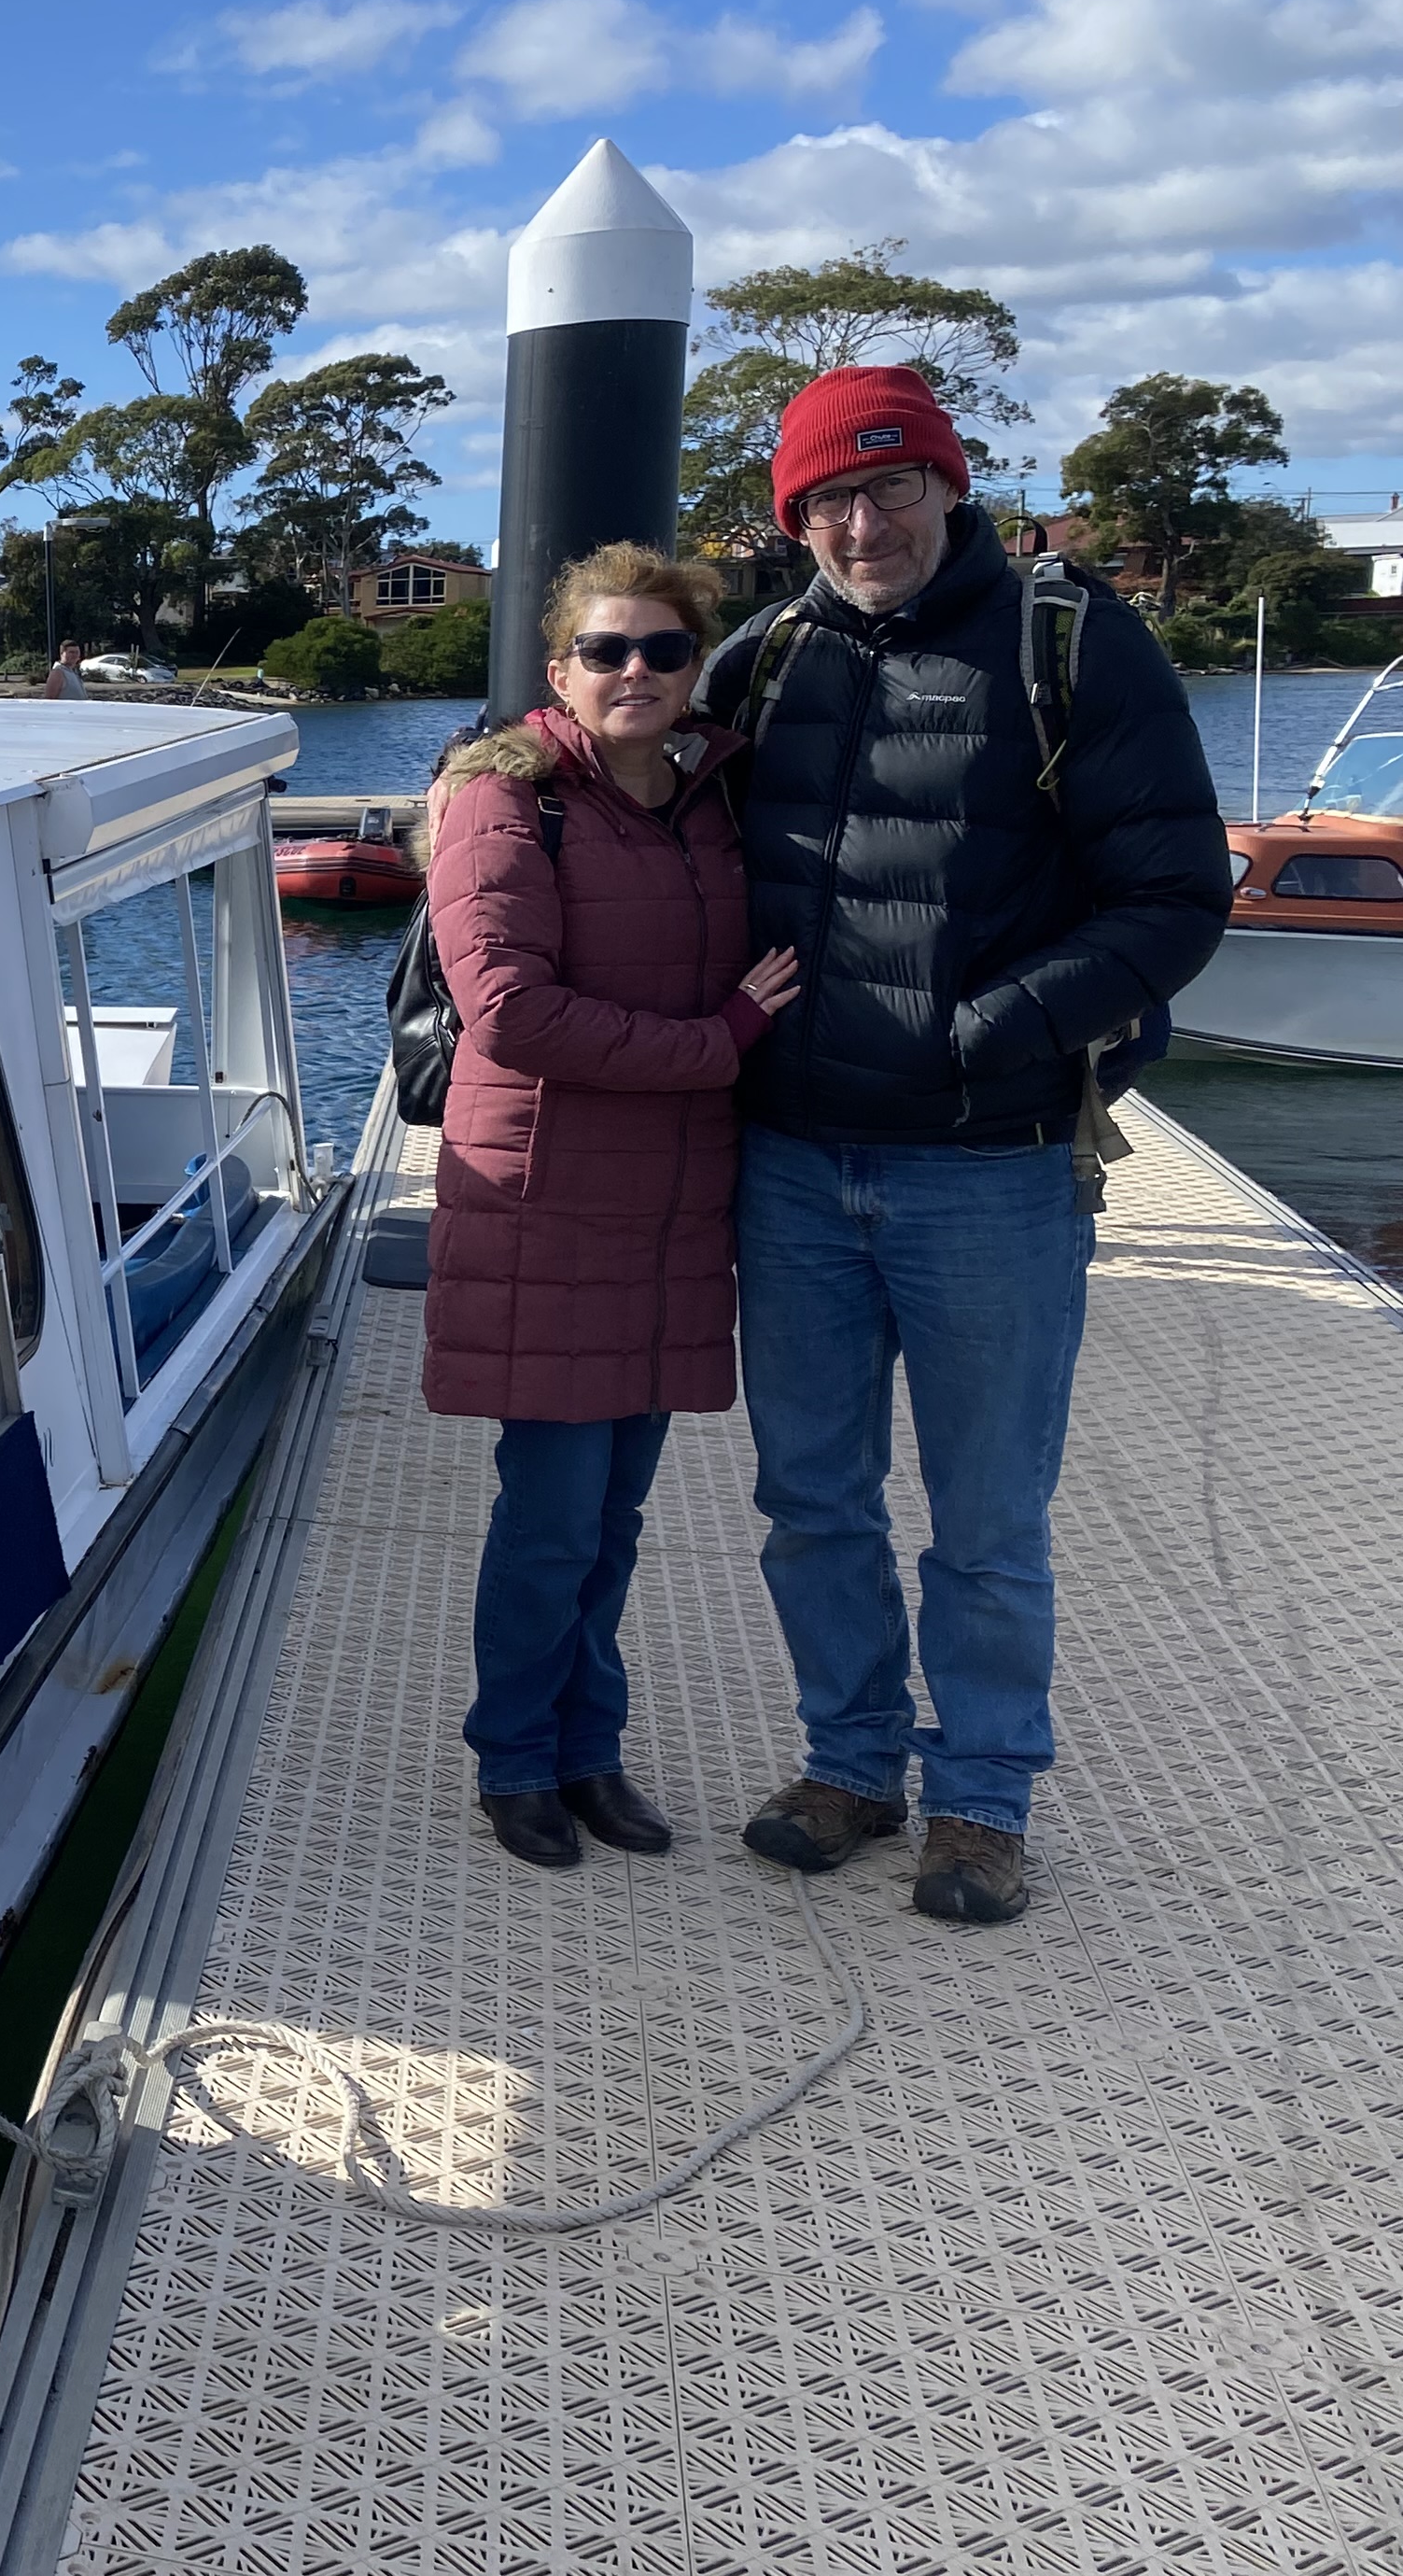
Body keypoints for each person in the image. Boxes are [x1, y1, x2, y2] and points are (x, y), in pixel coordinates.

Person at [709, 366, 1229, 1925]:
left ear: (950, 485)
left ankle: (983, 1800)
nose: (863, 524)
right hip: (793, 1162)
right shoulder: (769, 658)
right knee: (813, 1499)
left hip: (987, 1167)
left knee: (989, 1521)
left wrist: (989, 1029)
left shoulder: (1069, 644)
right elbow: (625, 770)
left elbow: (1174, 899)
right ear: (795, 518)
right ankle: (852, 1765)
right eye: (829, 499)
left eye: (891, 487)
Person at [422, 542, 799, 1867]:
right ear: (560, 669)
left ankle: (589, 1748)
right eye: (606, 649)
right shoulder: (506, 803)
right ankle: (515, 1758)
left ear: (697, 670)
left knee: (613, 1517)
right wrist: (722, 1039)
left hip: (671, 1209)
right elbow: (510, 1012)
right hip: (550, 1202)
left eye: (664, 649)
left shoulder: (715, 801)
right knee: (550, 1517)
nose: (635, 670)